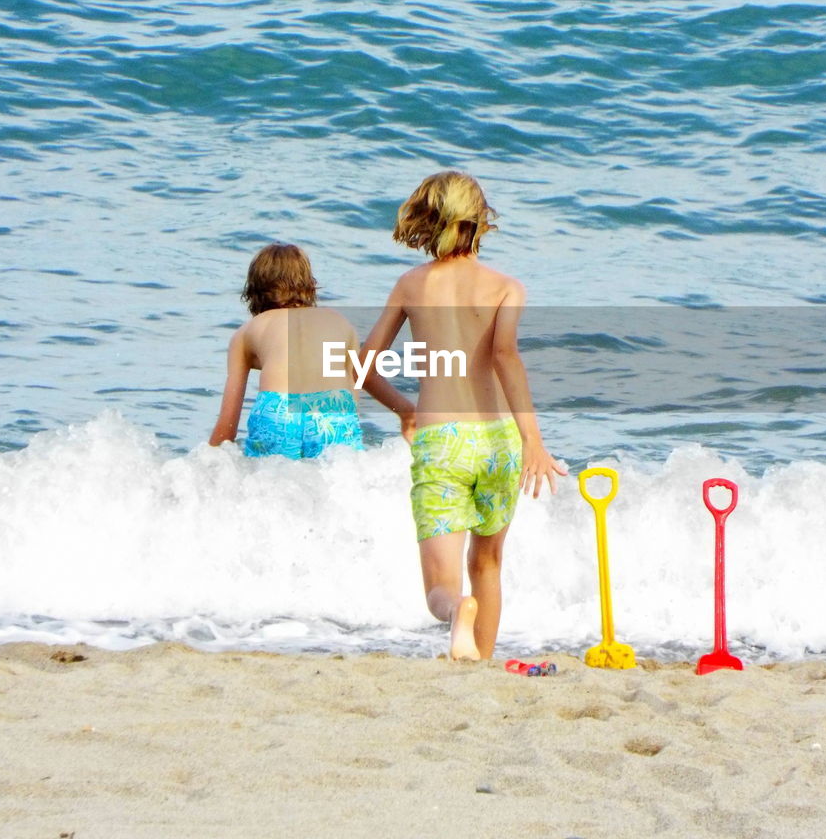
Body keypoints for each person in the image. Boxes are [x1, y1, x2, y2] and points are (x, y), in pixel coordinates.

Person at [361, 171, 566, 661]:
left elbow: (365, 368)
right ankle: (482, 662)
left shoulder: (410, 285)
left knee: (441, 588)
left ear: (428, 221)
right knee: (489, 563)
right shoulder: (506, 288)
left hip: (442, 440)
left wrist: (406, 409)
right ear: (481, 222)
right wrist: (532, 441)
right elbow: (505, 357)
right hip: (499, 441)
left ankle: (457, 614)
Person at [208, 243, 366, 459]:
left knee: (270, 483)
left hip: (279, 410)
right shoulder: (341, 323)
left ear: (254, 290)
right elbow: (352, 405)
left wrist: (206, 466)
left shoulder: (246, 332)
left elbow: (227, 428)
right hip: (332, 412)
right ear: (309, 285)